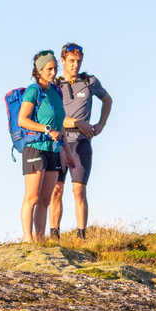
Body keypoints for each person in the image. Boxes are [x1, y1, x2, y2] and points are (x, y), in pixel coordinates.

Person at [49, 42, 112, 239]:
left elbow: (108, 100)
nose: (75, 65)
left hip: (81, 144)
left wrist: (101, 124)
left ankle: (81, 235)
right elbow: (52, 118)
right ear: (63, 61)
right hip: (59, 143)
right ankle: (54, 235)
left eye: (78, 61)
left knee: (79, 190)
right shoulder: (54, 85)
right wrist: (77, 123)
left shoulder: (89, 82)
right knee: (56, 189)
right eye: (71, 61)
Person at [17, 50, 79, 242]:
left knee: (46, 199)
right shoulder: (33, 90)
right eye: (49, 69)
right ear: (40, 70)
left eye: (54, 68)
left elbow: (60, 126)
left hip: (53, 150)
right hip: (35, 147)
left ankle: (40, 239)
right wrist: (45, 129)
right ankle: (28, 238)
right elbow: (22, 120)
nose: (53, 72)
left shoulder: (55, 92)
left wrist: (68, 154)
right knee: (32, 197)